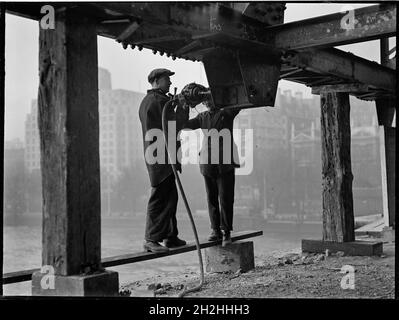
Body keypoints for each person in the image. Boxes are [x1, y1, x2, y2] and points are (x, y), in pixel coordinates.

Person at [139, 68, 188, 253]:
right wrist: (183, 107)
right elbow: (176, 125)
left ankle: (170, 236)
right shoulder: (159, 102)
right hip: (162, 157)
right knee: (159, 197)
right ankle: (151, 239)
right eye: (167, 79)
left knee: (170, 197)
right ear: (157, 81)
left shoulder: (149, 101)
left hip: (159, 155)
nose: (169, 82)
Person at [183, 98, 241, 246]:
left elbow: (239, 104)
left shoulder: (227, 113)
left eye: (210, 99)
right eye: (206, 100)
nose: (207, 103)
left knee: (226, 198)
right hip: (208, 163)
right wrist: (184, 106)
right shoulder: (202, 117)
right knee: (212, 198)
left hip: (224, 162)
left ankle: (226, 232)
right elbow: (185, 126)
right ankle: (215, 230)